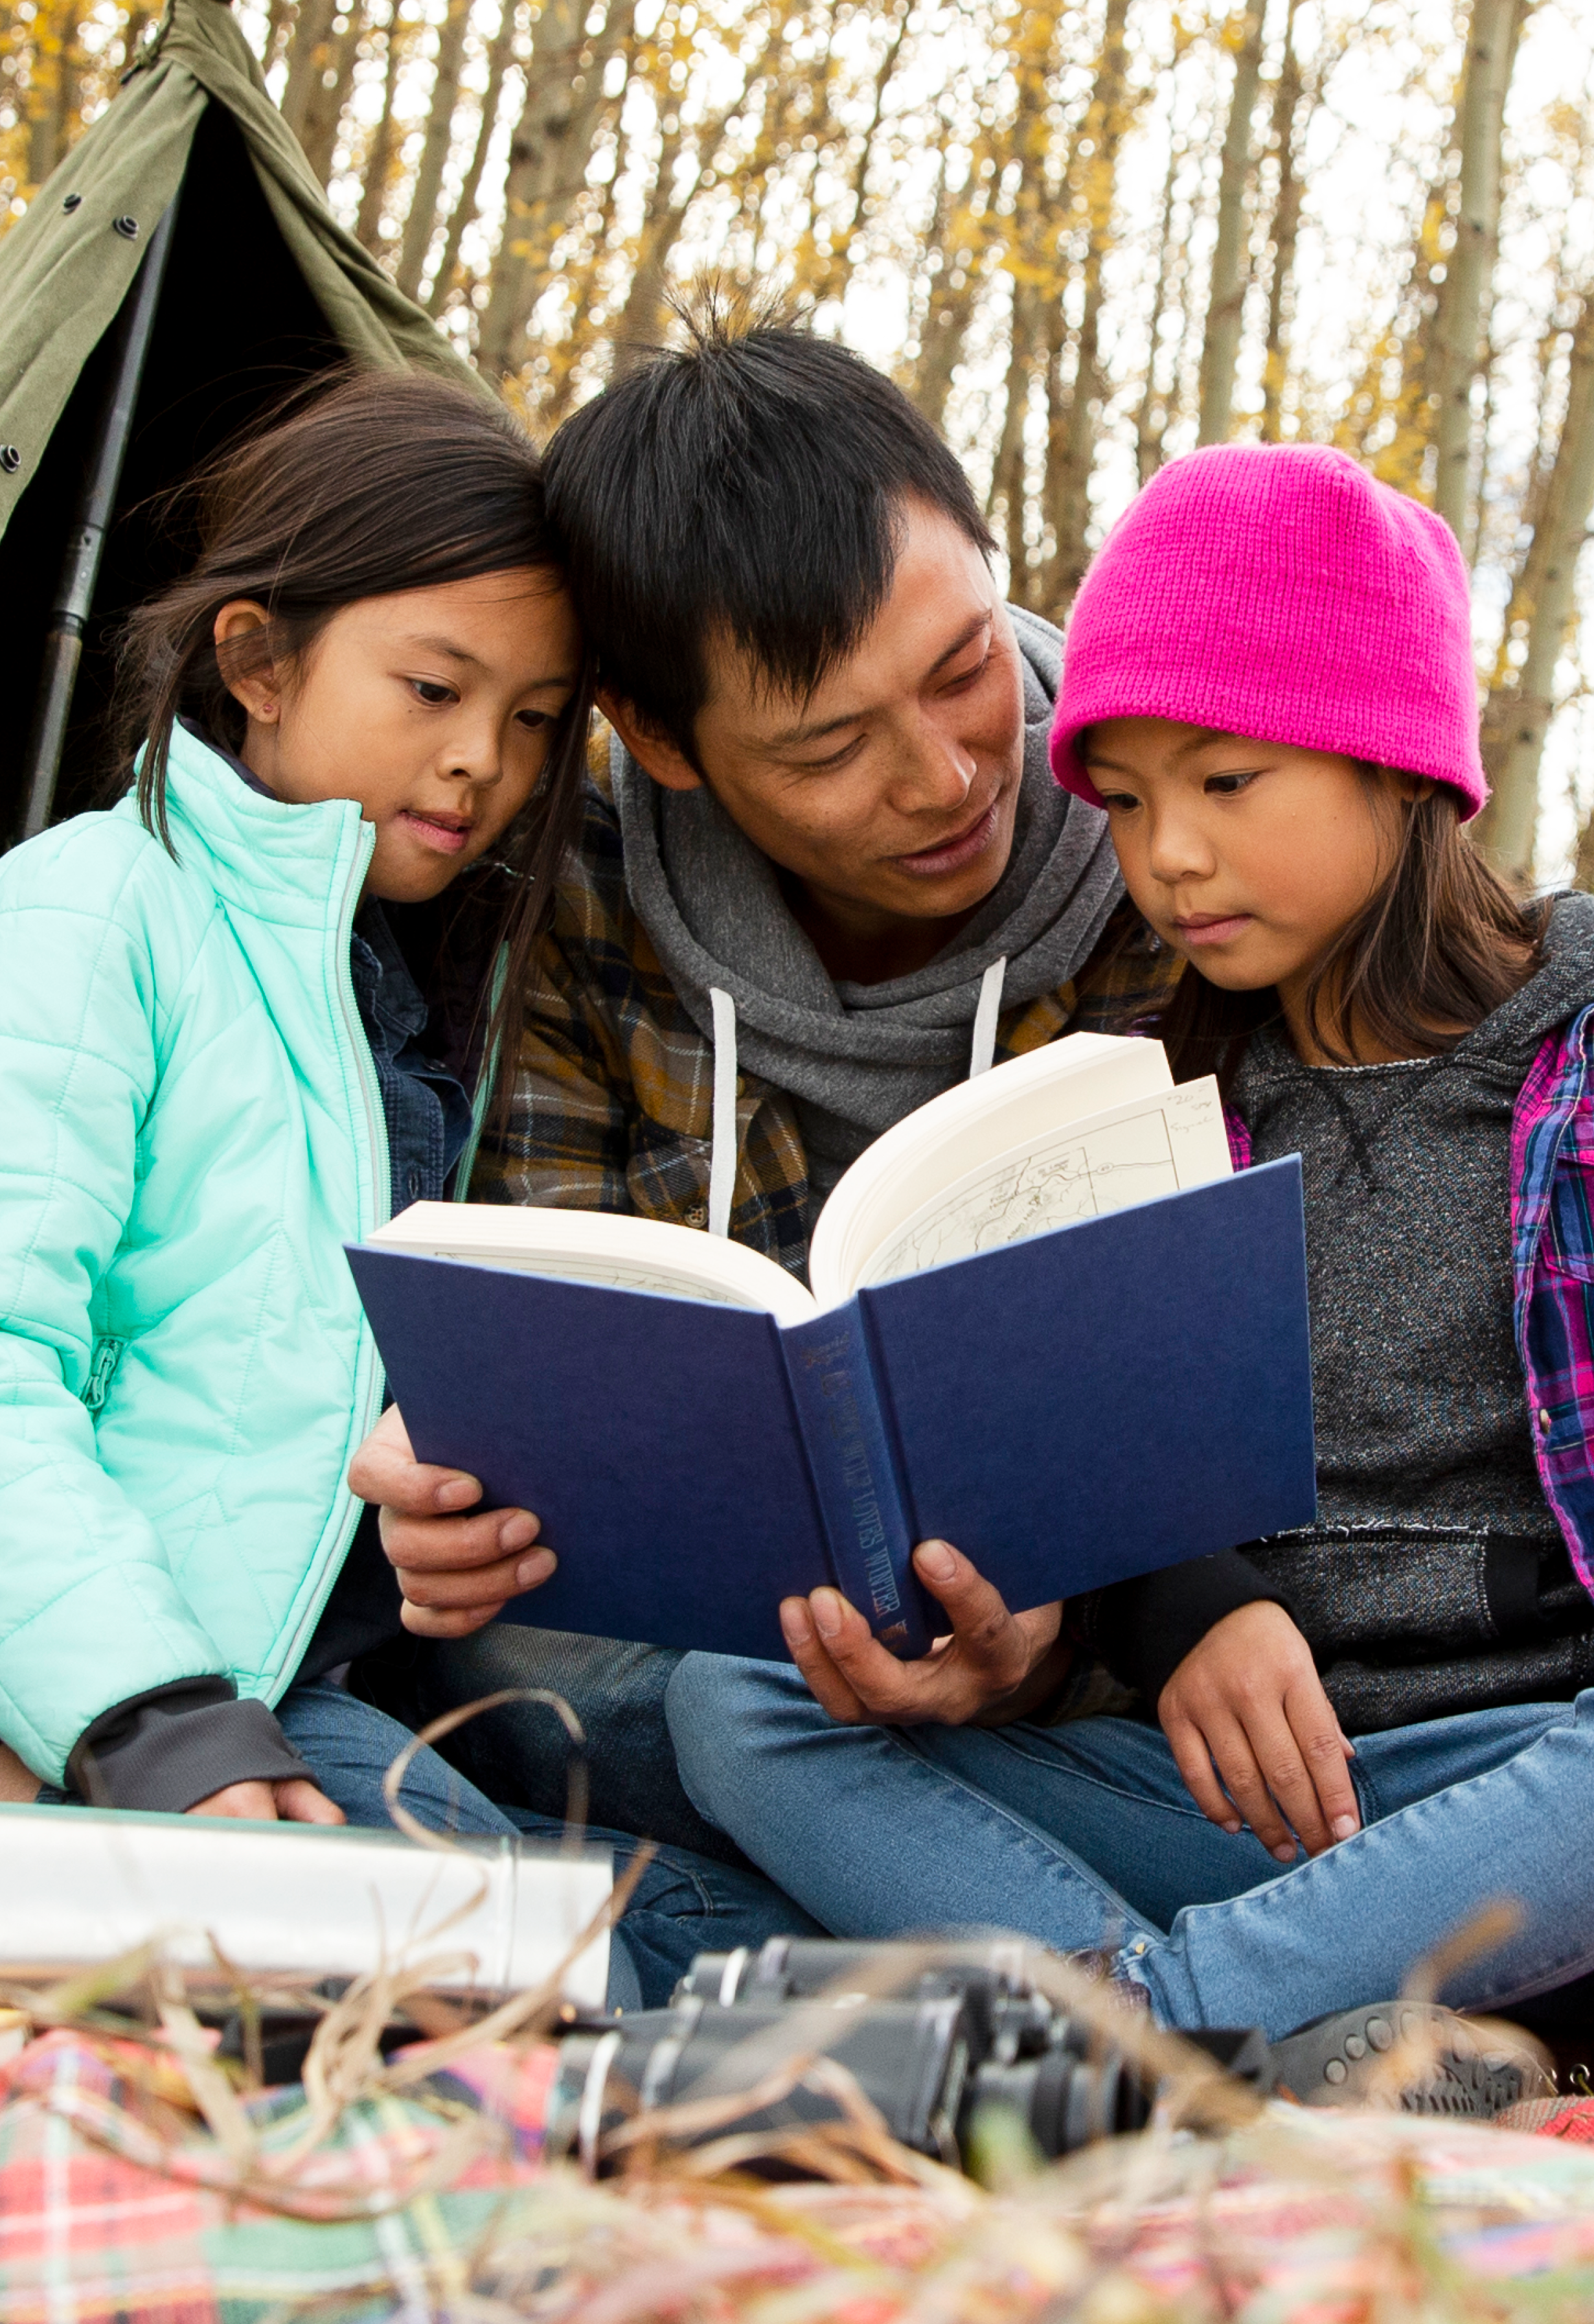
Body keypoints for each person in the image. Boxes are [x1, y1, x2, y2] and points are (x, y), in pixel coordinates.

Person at [661, 443, 1594, 2063]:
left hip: (1575, 1802)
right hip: (1242, 1811)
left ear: (1396, 761)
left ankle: (1135, 2033)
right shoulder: (1136, 1093)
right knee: (732, 1692)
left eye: (1225, 782)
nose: (1167, 853)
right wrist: (1179, 1605)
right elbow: (1074, 1493)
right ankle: (1280, 2035)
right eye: (1125, 802)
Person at [0, 368, 804, 1997]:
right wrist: (153, 1712)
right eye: (433, 689)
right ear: (255, 658)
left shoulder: (402, 979)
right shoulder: (82, 919)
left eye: (532, 721)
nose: (480, 764)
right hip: (112, 1663)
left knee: (735, 1902)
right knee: (549, 1968)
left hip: (345, 1650)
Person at [352, 322, 1179, 1843]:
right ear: (660, 738)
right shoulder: (576, 886)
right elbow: (569, 1356)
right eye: (826, 747)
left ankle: (913, 1847)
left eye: (965, 666)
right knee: (511, 1653)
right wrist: (464, 1495)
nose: (944, 777)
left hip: (1097, 1627)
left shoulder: (1166, 845)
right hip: (710, 1638)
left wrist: (1054, 1635)